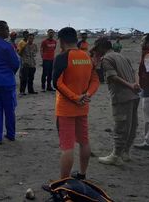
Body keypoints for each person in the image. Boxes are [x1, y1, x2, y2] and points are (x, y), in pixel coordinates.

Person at [52, 27, 99, 179]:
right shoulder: (86, 56)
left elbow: (57, 83)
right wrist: (87, 95)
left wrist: (75, 97)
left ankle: (63, 181)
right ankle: (82, 174)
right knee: (84, 141)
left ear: (62, 40)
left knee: (67, 146)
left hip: (66, 109)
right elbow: (95, 80)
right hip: (83, 106)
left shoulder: (62, 57)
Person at [92, 38, 141, 166]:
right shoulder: (122, 56)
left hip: (122, 96)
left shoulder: (107, 59)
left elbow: (113, 77)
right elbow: (135, 72)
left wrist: (130, 86)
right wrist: (135, 84)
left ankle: (115, 155)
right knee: (132, 125)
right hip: (134, 96)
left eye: (97, 49)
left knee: (121, 125)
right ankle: (126, 152)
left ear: (102, 47)